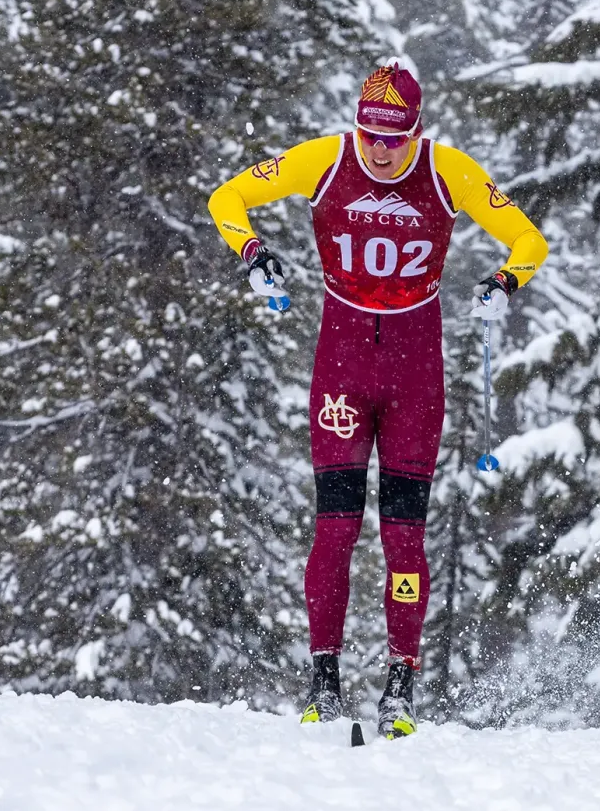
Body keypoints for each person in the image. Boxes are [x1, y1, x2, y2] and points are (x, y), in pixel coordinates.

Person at [207, 63, 548, 739]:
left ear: (417, 131)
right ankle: (323, 680)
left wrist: (503, 282)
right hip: (341, 365)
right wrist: (253, 254)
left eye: (394, 137)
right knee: (335, 526)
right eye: (370, 133)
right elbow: (226, 197)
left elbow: (529, 238)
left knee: (403, 536)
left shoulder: (449, 170)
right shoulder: (323, 160)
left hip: (415, 375)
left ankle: (399, 687)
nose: (380, 149)